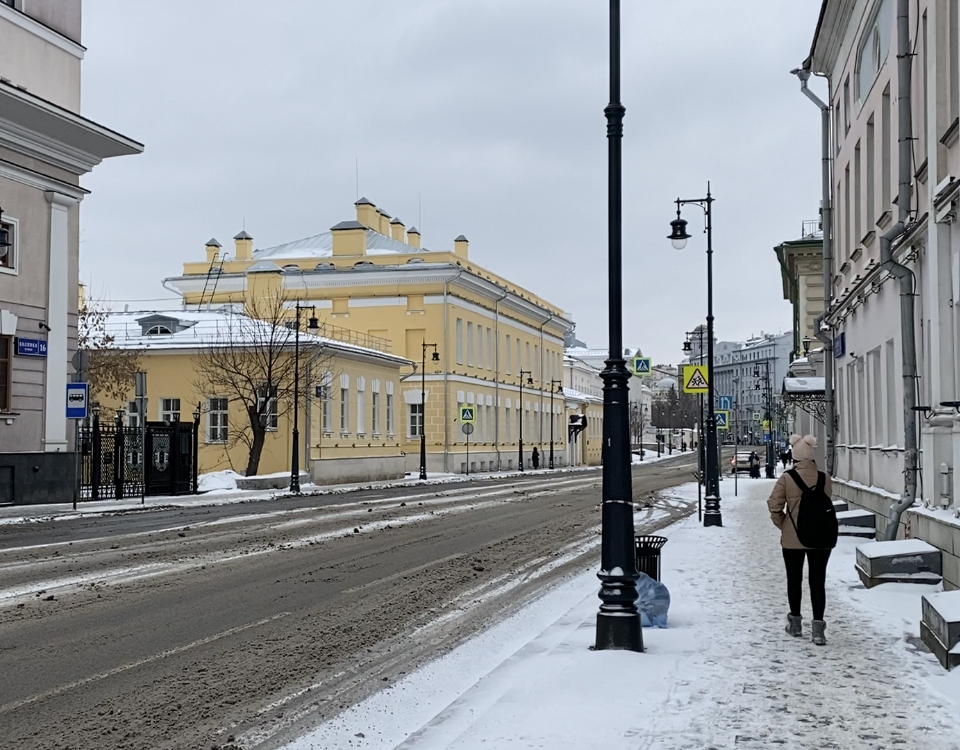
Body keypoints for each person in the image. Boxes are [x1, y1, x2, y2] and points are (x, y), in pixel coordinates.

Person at [766, 434, 833, 646]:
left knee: (794, 579)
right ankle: (818, 630)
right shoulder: (824, 478)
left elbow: (774, 506)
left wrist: (785, 525)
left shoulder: (787, 478)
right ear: (812, 457)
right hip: (821, 537)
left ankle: (795, 625)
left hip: (793, 539)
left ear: (794, 457)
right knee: (817, 581)